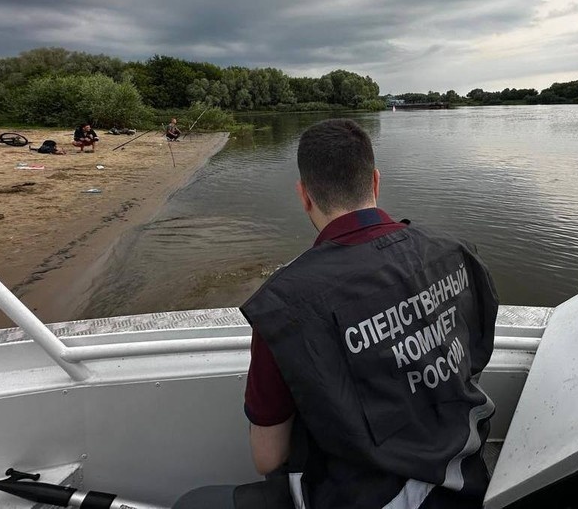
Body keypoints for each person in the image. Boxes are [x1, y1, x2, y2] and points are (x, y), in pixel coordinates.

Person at [173, 119, 500, 509]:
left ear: (304, 195)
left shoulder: (285, 305)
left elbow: (268, 458)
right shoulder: (457, 252)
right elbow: (474, 356)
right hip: (469, 482)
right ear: (375, 182)